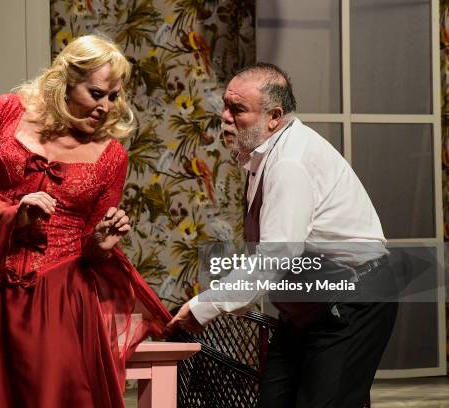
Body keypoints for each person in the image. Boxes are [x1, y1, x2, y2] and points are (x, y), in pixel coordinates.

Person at [0, 35, 171, 408]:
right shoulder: (5, 111)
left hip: (62, 301)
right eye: (96, 93)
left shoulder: (112, 157)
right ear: (66, 81)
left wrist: (99, 246)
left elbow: (90, 246)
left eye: (114, 96)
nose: (105, 106)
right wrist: (12, 214)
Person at [168, 63, 398, 407]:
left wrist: (206, 305)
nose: (225, 118)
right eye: (225, 108)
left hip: (353, 301)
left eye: (238, 110)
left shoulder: (290, 163)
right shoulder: (265, 155)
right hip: (308, 306)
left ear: (274, 116)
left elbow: (276, 258)